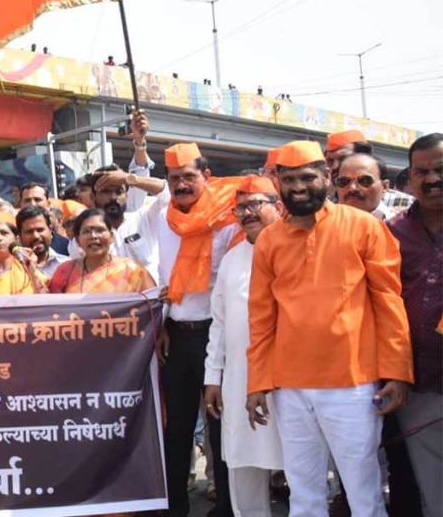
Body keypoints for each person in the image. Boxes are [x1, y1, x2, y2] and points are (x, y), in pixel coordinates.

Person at [246, 140, 413, 517]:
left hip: (351, 384)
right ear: (277, 183)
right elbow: (261, 317)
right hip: (290, 386)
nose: (299, 187)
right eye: (289, 179)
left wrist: (396, 372)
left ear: (326, 177)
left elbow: (389, 302)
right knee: (304, 494)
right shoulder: (269, 240)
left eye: (308, 177)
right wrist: (257, 381)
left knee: (363, 494)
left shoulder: (363, 227)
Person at [156, 142, 241, 517]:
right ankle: (174, 507)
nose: (182, 184)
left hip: (215, 336)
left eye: (189, 176)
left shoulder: (227, 219)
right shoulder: (161, 217)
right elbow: (155, 274)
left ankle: (226, 506)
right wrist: (161, 324)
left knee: (220, 426)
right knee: (176, 427)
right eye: (175, 179)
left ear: (206, 177)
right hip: (175, 335)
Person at [202, 176, 284, 517]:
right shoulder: (233, 259)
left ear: (278, 206)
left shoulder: (297, 246)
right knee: (243, 466)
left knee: (303, 466)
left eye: (256, 205)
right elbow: (219, 322)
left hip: (291, 379)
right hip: (239, 378)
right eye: (242, 207)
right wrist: (213, 377)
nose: (247, 213)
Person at [387, 132, 443, 517]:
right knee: (433, 490)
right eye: (422, 171)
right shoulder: (392, 232)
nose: (432, 179)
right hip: (419, 382)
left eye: (441, 170)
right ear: (409, 178)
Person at [48, 208, 154, 294]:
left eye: (100, 230)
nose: (93, 236)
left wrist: (162, 296)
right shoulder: (65, 271)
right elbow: (54, 310)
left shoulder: (132, 270)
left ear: (112, 237)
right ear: (78, 240)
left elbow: (152, 303)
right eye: (86, 231)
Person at [336, 152, 394, 220]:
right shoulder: (325, 220)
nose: (352, 188)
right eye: (344, 181)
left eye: (364, 181)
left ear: (384, 187)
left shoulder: (398, 227)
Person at [15, 206, 68, 277]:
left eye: (40, 230)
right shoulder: (13, 268)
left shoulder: (67, 265)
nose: (36, 236)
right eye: (29, 232)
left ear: (50, 230)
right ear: (20, 236)